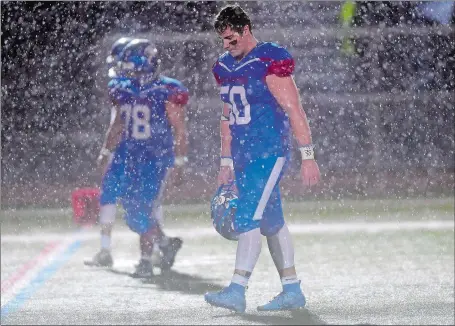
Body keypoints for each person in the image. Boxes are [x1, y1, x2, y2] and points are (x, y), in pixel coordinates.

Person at [204, 5, 321, 312]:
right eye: (223, 41)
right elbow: (227, 117)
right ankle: (292, 289)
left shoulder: (267, 59)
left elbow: (294, 109)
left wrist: (307, 156)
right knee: (271, 222)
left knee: (247, 218)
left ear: (245, 29)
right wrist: (225, 161)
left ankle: (237, 289)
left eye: (232, 39)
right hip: (244, 154)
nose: (227, 46)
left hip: (268, 152)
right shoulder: (225, 67)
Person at [84, 37, 188, 278]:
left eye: (127, 64)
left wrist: (180, 162)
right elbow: (119, 123)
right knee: (133, 213)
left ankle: (145, 260)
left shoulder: (166, 90)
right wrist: (107, 151)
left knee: (144, 208)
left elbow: (180, 130)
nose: (122, 69)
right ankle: (165, 243)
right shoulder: (124, 88)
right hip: (131, 155)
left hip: (155, 158)